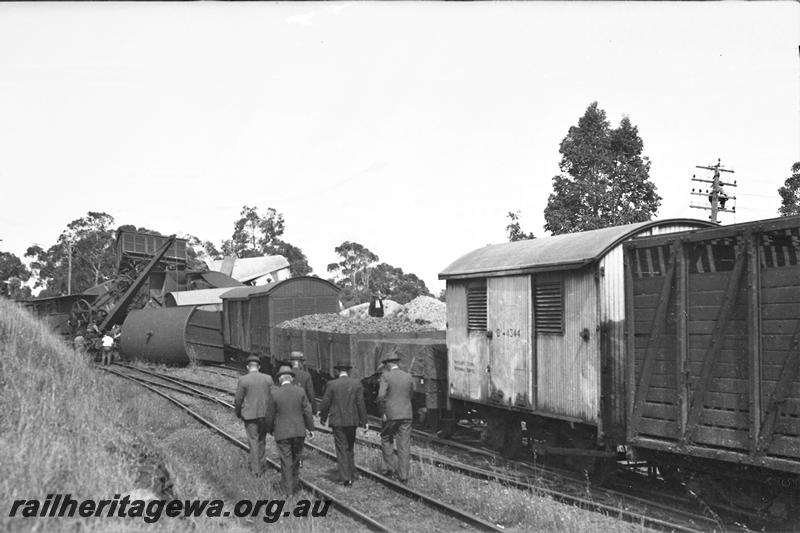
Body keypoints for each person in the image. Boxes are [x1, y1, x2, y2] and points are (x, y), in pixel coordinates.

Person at [266, 366, 314, 496]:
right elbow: (307, 411)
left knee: (286, 461)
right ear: (291, 378)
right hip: (299, 432)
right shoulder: (301, 392)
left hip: (282, 433)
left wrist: (270, 429)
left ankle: (288, 492)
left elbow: (269, 415)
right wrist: (310, 428)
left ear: (280, 379)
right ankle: (294, 485)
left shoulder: (275, 394)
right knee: (296, 459)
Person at [319, 361, 367, 486]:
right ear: (349, 371)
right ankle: (352, 473)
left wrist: (323, 418)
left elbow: (325, 403)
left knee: (341, 448)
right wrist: (364, 421)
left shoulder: (332, 384)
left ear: (337, 371)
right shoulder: (356, 384)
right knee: (350, 447)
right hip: (352, 421)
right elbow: (360, 404)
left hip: (337, 421)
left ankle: (346, 478)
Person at [377, 352, 414, 484]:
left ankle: (389, 468)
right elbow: (411, 394)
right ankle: (403, 476)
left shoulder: (385, 376)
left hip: (391, 414)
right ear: (397, 362)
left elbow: (381, 396)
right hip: (406, 414)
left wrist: (383, 412)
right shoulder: (408, 376)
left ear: (387, 364)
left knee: (386, 438)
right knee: (404, 444)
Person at [234, 355, 274, 477]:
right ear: (259, 367)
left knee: (253, 442)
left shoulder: (243, 380)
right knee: (262, 440)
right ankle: (262, 465)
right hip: (265, 416)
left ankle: (256, 471)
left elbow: (238, 400)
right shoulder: (268, 379)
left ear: (247, 367)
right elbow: (273, 398)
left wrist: (238, 413)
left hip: (250, 417)